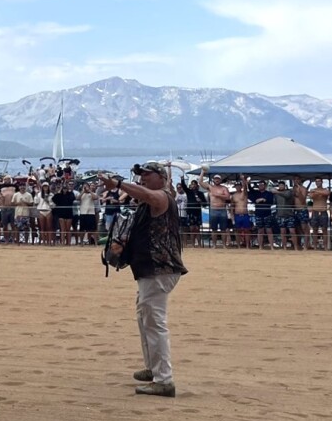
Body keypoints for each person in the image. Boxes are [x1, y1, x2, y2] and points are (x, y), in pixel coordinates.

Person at [97, 162, 187, 398]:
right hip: (151, 270)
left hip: (159, 269)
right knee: (145, 319)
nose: (142, 178)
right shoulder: (151, 200)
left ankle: (164, 379)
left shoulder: (161, 196)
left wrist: (117, 183)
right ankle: (153, 368)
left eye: (147, 174)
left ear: (161, 177)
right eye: (140, 175)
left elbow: (147, 194)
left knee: (154, 322)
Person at [197, 170, 231, 248]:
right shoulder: (210, 187)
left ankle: (224, 245)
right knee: (213, 229)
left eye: (218, 179)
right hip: (213, 209)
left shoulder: (224, 188)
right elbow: (200, 182)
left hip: (222, 209)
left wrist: (218, 195)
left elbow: (228, 197)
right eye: (215, 179)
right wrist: (202, 172)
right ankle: (214, 245)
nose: (217, 180)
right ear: (213, 180)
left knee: (223, 229)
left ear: (220, 180)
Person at [248, 180, 275, 250]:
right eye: (259, 185)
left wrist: (263, 199)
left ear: (265, 186)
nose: (260, 186)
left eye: (262, 184)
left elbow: (271, 202)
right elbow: (250, 192)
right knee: (260, 231)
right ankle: (260, 246)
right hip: (258, 214)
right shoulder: (256, 193)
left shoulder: (269, 194)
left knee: (269, 230)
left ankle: (272, 246)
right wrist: (248, 184)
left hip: (267, 214)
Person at [308, 178, 330, 250]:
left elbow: (327, 193)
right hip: (315, 211)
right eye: (316, 181)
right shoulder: (313, 190)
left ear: (322, 182)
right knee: (315, 229)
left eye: (319, 181)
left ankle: (325, 247)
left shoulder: (324, 189)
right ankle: (315, 246)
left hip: (323, 211)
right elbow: (311, 196)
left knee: (324, 229)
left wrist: (316, 192)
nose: (318, 183)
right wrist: (316, 192)